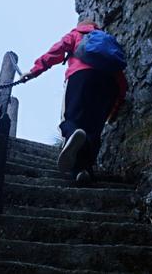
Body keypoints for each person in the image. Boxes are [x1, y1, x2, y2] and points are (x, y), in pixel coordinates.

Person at [21, 19, 127, 183]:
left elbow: (57, 51)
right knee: (94, 130)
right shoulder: (108, 43)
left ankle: (72, 135)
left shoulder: (77, 34)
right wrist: (113, 110)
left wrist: (34, 71)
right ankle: (83, 171)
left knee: (71, 119)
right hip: (109, 85)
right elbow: (122, 80)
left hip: (81, 77)